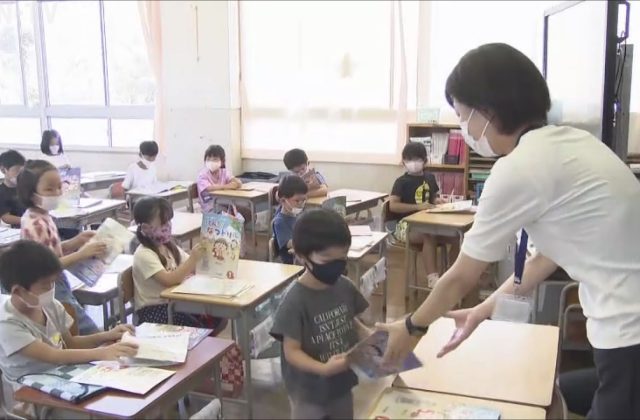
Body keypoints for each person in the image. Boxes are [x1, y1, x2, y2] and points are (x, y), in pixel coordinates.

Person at [377, 43, 640, 419]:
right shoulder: (572, 143)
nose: (464, 129)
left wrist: (412, 326)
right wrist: (484, 308)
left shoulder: (519, 167)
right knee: (563, 394)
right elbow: (544, 258)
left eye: (462, 115)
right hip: (623, 324)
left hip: (629, 328)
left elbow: (461, 276)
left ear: (486, 112)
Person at [0, 241, 137, 415]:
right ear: (18, 291)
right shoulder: (7, 323)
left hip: (63, 375)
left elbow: (70, 343)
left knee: (118, 396)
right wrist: (102, 352)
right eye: (45, 285)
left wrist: (105, 336)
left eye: (53, 282)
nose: (51, 289)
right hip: (30, 393)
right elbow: (54, 355)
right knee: (100, 412)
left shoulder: (49, 305)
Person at [270, 208, 371, 419]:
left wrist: (370, 337)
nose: (336, 268)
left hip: (341, 384)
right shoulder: (294, 300)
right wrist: (322, 369)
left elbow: (350, 320)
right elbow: (292, 351)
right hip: (308, 391)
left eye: (342, 259)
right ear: (301, 256)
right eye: (327, 261)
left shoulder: (344, 286)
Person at [17, 159, 106, 335]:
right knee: (83, 330)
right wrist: (81, 254)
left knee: (74, 326)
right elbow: (46, 266)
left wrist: (74, 242)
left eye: (59, 187)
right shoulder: (35, 223)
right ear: (31, 193)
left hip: (56, 279)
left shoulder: (43, 216)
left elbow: (49, 251)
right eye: (49, 189)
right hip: (47, 284)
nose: (57, 193)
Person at [132, 196, 225, 332]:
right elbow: (169, 280)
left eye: (169, 221)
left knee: (217, 315)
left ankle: (205, 342)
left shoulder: (168, 246)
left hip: (175, 303)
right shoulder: (143, 254)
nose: (168, 226)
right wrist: (193, 258)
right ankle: (201, 343)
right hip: (153, 311)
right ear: (145, 228)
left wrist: (211, 253)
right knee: (198, 326)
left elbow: (191, 267)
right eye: (163, 224)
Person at [388, 142, 459, 288]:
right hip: (405, 226)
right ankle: (433, 279)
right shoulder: (401, 182)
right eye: (409, 159)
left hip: (429, 222)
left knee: (457, 236)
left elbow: (432, 198)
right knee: (429, 234)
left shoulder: (430, 178)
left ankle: (452, 276)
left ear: (425, 161)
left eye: (417, 159)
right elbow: (393, 206)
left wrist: (438, 201)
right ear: (403, 161)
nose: (413, 163)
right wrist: (418, 207)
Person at [272, 174, 308, 264]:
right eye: (297, 200)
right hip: (291, 259)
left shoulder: (299, 215)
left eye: (304, 200)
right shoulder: (280, 221)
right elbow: (290, 244)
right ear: (283, 200)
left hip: (302, 254)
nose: (301, 204)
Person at [196, 145, 242, 213]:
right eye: (208, 159)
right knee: (225, 213)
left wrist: (236, 183)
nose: (211, 162)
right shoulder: (202, 175)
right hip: (210, 207)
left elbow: (237, 182)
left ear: (222, 161)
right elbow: (209, 188)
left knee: (246, 211)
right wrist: (228, 186)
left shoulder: (224, 172)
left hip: (226, 204)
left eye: (215, 159)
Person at [0, 150, 26, 228]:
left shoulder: (25, 187)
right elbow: (6, 217)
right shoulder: (2, 192)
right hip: (18, 228)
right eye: (17, 171)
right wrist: (27, 220)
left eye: (22, 171)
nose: (20, 175)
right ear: (3, 170)